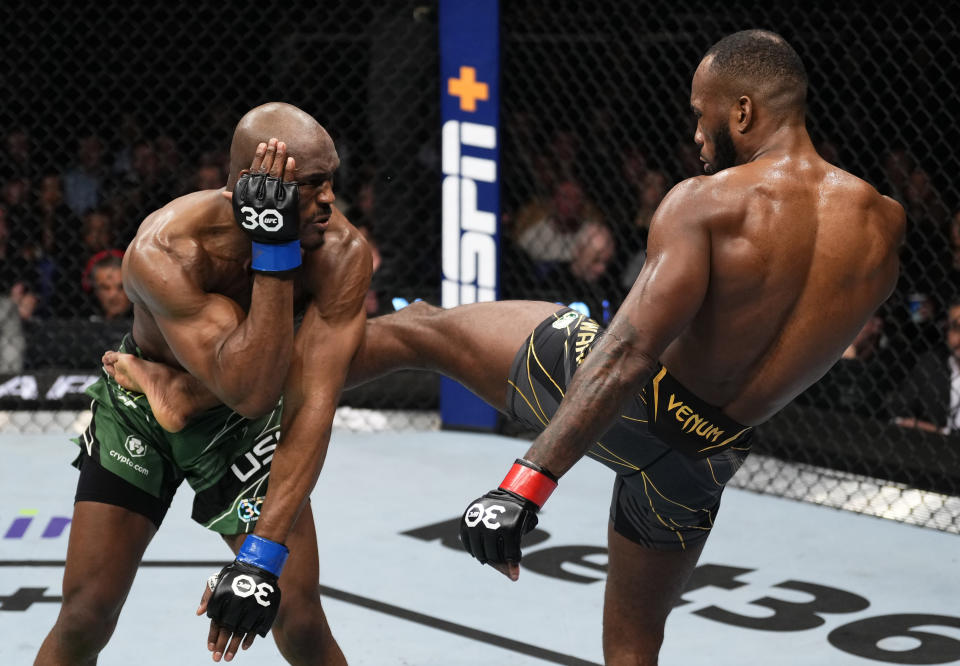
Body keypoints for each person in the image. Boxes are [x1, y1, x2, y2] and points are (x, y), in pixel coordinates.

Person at [101, 30, 905, 664]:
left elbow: (624, 355)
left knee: (422, 331)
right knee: (633, 651)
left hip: (636, 397)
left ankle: (192, 392)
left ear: (740, 113)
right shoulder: (884, 228)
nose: (695, 134)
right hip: (710, 454)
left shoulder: (706, 204)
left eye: (700, 114)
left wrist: (525, 484)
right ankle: (202, 388)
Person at [36, 102, 371, 665]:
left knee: (300, 616)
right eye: (310, 185)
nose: (330, 201)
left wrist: (260, 555)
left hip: (244, 413)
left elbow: (301, 401)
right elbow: (248, 383)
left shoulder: (341, 253)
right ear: (252, 187)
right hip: (142, 410)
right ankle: (168, 388)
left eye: (331, 181)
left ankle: (180, 391)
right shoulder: (166, 251)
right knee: (85, 613)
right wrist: (272, 247)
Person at [890, 298, 960, 435]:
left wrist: (941, 433)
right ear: (946, 330)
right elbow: (898, 417)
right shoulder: (931, 365)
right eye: (956, 328)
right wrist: (944, 432)